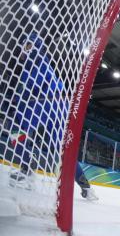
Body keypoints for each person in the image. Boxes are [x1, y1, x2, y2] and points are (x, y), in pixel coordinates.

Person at [7, 32, 98, 201]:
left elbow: (26, 92)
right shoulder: (38, 64)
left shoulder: (36, 65)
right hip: (56, 107)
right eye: (24, 46)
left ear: (36, 48)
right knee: (63, 150)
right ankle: (86, 187)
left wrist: (11, 103)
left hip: (44, 104)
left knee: (15, 129)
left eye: (28, 46)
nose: (24, 50)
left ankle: (27, 170)